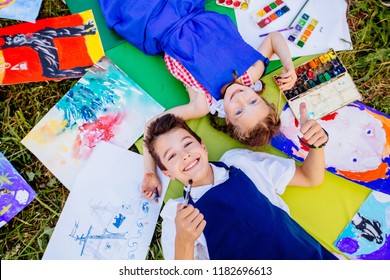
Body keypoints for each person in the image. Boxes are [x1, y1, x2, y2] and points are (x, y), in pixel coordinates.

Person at [143, 108, 337, 260]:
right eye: (172, 156)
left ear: (202, 145)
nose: (184, 155)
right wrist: (184, 243)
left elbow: (310, 177)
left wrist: (317, 145)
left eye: (187, 144)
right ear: (168, 173)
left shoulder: (240, 162)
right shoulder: (175, 216)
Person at [98, 0, 297, 146]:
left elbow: (152, 124)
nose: (241, 99)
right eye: (253, 101)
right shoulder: (252, 73)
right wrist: (289, 65)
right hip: (187, 5)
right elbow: (274, 39)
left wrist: (150, 170)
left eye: (238, 111)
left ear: (227, 120)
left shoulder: (202, 103)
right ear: (259, 96)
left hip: (152, 22)